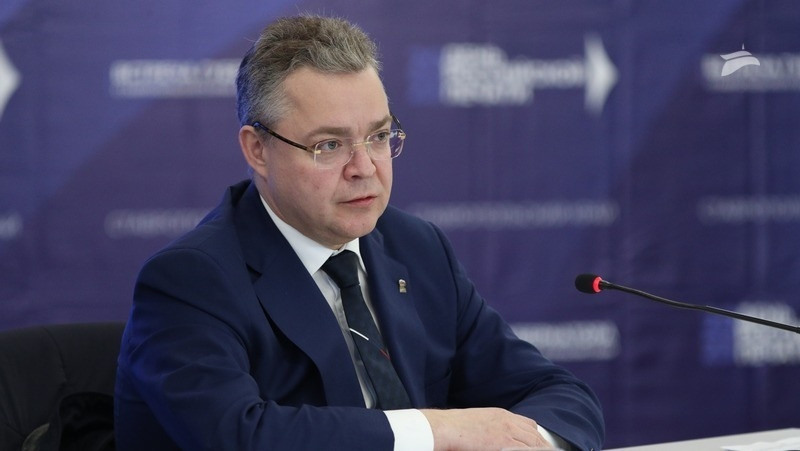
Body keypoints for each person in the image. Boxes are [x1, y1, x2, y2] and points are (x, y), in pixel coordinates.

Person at [114, 14, 605, 451]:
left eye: (378, 136)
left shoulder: (418, 248)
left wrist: (529, 443)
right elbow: (243, 436)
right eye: (329, 145)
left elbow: (555, 393)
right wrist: (436, 431)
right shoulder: (192, 280)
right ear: (258, 150)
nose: (365, 167)